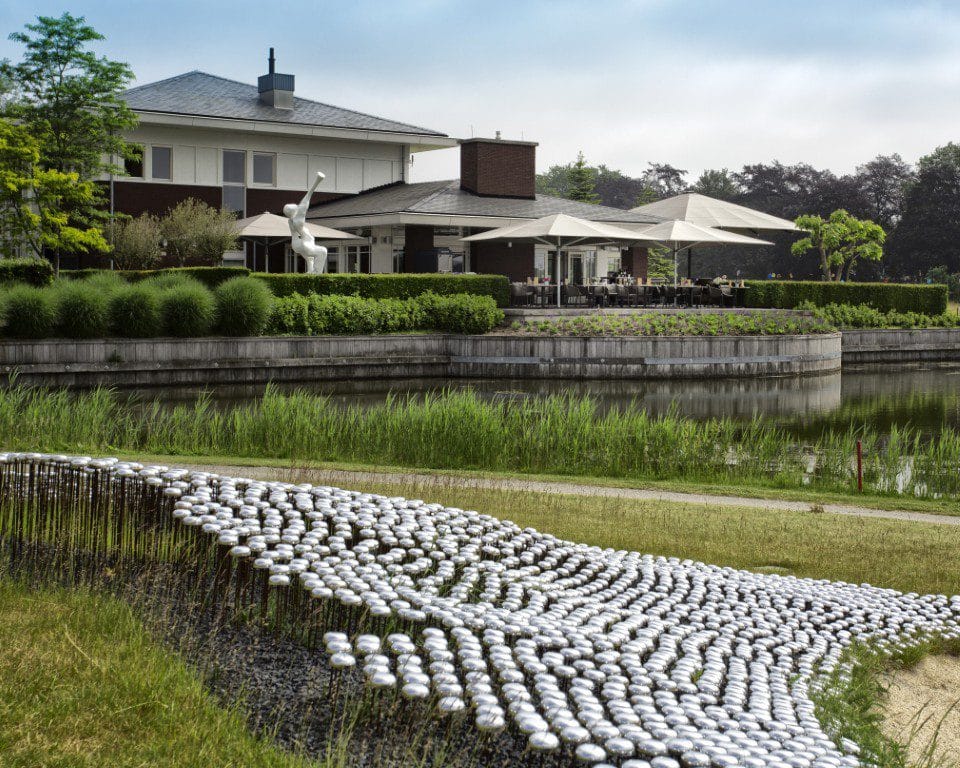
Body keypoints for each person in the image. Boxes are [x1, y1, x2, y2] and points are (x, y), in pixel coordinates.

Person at [283, 171, 328, 273]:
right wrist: (316, 184)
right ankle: (316, 274)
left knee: (310, 258)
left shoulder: (291, 221)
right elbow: (304, 204)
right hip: (303, 244)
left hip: (298, 244)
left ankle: (310, 270)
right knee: (322, 252)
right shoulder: (297, 220)